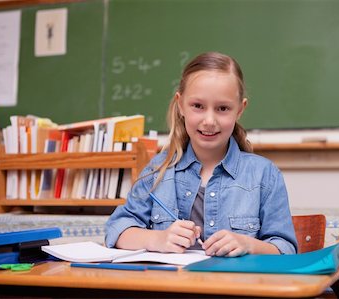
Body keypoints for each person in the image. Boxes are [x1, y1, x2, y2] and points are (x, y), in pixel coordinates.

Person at [105, 52, 297, 257]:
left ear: (240, 110)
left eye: (223, 108)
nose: (209, 120)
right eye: (198, 106)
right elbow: (117, 230)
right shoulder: (157, 170)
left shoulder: (264, 175)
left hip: (237, 288)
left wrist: (248, 244)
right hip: (170, 287)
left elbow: (285, 249)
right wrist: (158, 239)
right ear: (181, 105)